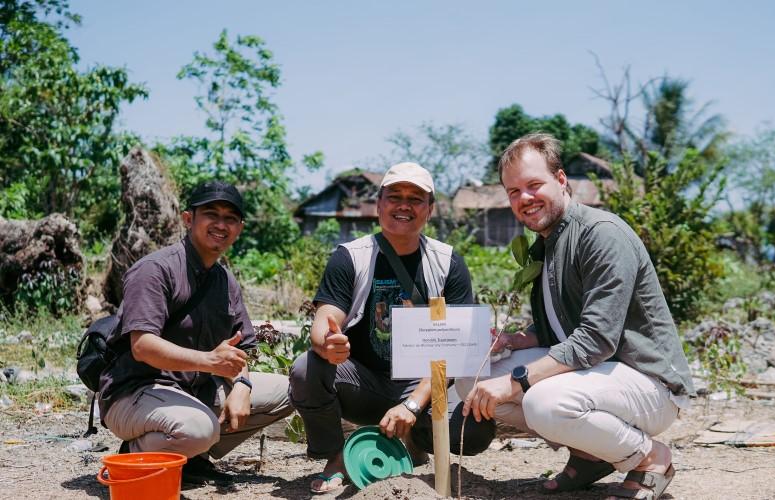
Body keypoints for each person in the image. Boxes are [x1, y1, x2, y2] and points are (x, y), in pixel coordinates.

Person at [458, 134, 695, 500]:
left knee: (543, 401)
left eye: (534, 185)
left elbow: (596, 338)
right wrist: (517, 340)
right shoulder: (547, 243)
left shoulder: (601, 234)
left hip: (649, 384)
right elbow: (561, 325)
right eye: (513, 191)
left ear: (562, 179)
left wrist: (517, 380)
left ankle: (650, 458)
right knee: (471, 379)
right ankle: (591, 454)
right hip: (598, 375)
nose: (524, 199)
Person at [289, 162, 495, 494]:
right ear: (379, 204)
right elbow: (325, 318)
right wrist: (327, 343)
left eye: (415, 199)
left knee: (475, 428)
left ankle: (411, 438)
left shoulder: (448, 262)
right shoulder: (350, 257)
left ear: (429, 209)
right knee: (306, 368)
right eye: (394, 196)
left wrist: (413, 404)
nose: (403, 205)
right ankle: (336, 456)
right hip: (364, 383)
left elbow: (454, 349)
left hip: (424, 387)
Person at [98, 180, 293, 485]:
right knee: (199, 429)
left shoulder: (225, 281)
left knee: (293, 389)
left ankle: (190, 458)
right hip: (134, 391)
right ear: (188, 219)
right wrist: (209, 361)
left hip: (192, 390)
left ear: (239, 228)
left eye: (230, 218)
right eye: (211, 214)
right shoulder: (155, 270)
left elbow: (242, 348)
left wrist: (242, 385)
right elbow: (142, 346)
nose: (221, 224)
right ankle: (133, 458)